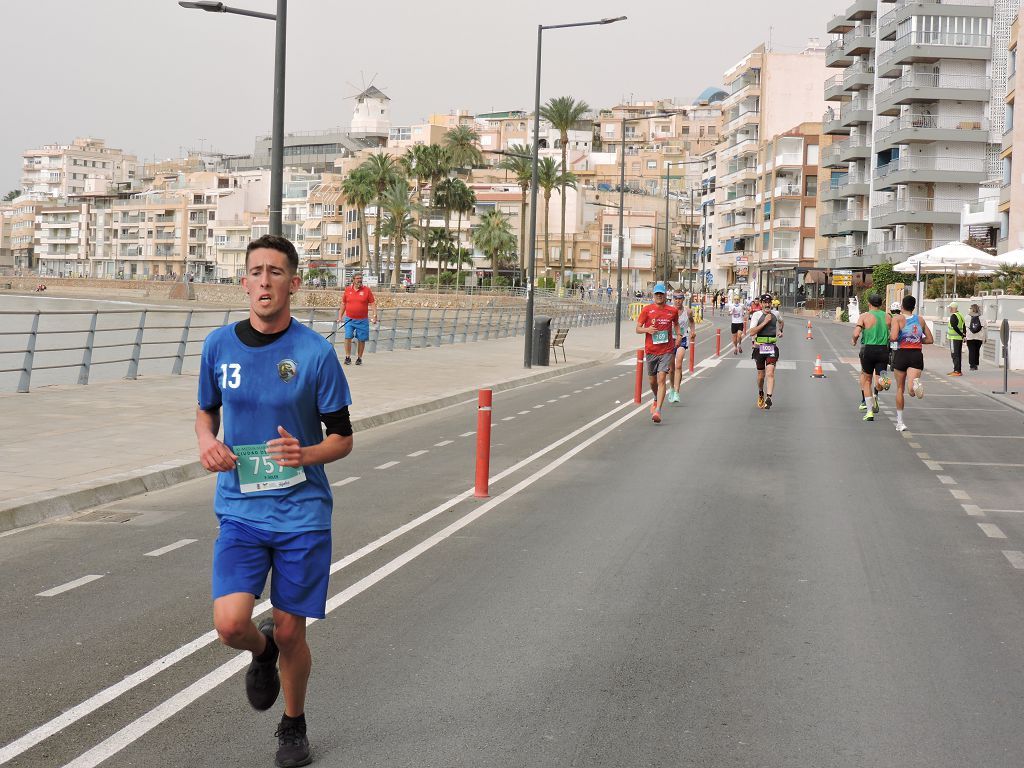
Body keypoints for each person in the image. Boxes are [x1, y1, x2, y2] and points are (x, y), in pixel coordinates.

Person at [196, 234, 354, 768]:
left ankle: (293, 726)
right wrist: (207, 444)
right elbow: (205, 412)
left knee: (291, 629)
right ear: (244, 281)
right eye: (256, 271)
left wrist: (304, 453)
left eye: (276, 272)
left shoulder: (316, 353)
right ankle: (260, 655)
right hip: (240, 508)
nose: (265, 281)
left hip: (302, 512)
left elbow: (344, 437)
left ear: (294, 282)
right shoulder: (219, 346)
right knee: (229, 625)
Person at [636, 282, 680, 423]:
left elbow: (676, 324)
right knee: (652, 381)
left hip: (666, 350)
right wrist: (647, 330)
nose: (659, 296)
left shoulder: (672, 311)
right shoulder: (647, 310)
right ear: (654, 295)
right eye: (657, 294)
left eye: (661, 294)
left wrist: (679, 335)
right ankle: (655, 398)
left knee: (661, 379)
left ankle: (658, 410)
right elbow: (637, 328)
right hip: (651, 350)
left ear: (665, 296)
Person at [890, 294, 934, 432]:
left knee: (899, 389)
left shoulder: (897, 319)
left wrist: (898, 339)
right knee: (911, 391)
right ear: (913, 307)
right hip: (916, 354)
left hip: (902, 353)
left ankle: (900, 422)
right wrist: (916, 340)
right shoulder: (920, 320)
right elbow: (930, 339)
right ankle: (914, 385)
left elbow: (894, 337)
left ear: (902, 307)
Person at [852, 292, 891, 422]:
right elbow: (894, 333)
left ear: (869, 304)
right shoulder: (887, 317)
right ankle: (882, 382)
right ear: (881, 304)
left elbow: (856, 332)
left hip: (868, 349)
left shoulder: (864, 316)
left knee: (867, 380)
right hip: (883, 350)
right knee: (879, 379)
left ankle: (869, 412)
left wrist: (854, 340)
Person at [747, 293, 784, 410]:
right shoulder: (757, 315)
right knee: (761, 376)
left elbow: (781, 321)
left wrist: (781, 331)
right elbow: (752, 332)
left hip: (772, 347)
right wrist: (765, 322)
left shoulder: (776, 314)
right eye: (765, 302)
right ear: (762, 304)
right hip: (759, 347)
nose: (768, 304)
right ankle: (761, 392)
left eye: (769, 302)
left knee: (770, 372)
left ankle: (769, 397)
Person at [338, 272, 377, 366]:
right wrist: (340, 317)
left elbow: (372, 304)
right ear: (353, 280)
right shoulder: (347, 290)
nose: (359, 280)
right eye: (357, 278)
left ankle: (359, 358)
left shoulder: (367, 290)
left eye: (361, 278)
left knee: (361, 339)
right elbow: (343, 304)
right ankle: (347, 357)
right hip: (349, 319)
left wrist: (374, 315)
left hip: (362, 320)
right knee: (347, 337)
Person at [667, 291, 698, 404]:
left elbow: (692, 322)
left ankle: (676, 392)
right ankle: (671, 387)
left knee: (678, 364)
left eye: (680, 298)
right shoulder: (669, 310)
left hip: (683, 339)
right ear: (672, 299)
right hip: (670, 340)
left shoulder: (688, 311)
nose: (677, 300)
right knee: (671, 369)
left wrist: (693, 332)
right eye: (675, 298)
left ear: (683, 299)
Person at [946, 301, 967, 376]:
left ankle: (957, 371)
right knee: (958, 354)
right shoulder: (960, 315)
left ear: (953, 308)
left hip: (953, 338)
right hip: (958, 339)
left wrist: (961, 334)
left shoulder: (953, 316)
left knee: (954, 354)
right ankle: (957, 370)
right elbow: (964, 325)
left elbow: (954, 327)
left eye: (950, 308)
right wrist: (963, 335)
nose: (950, 309)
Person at [965, 303, 986, 371]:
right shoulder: (982, 317)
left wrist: (964, 336)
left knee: (971, 351)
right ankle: (976, 364)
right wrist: (985, 338)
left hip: (970, 337)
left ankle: (972, 366)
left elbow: (964, 327)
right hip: (979, 337)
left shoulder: (967, 317)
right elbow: (985, 328)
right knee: (977, 350)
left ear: (971, 309)